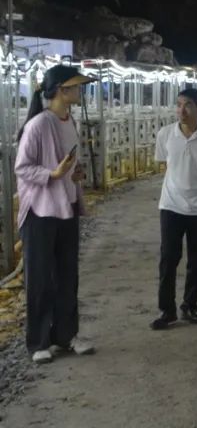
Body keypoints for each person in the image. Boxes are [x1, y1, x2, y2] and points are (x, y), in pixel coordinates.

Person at [15, 64, 96, 364]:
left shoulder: (70, 120)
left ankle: (66, 335)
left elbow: (66, 164)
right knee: (40, 279)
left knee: (67, 275)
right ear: (62, 90)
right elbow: (22, 168)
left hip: (67, 207)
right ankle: (38, 342)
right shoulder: (38, 125)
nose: (80, 91)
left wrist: (73, 175)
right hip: (41, 212)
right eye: (76, 86)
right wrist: (53, 174)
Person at [152, 88, 197, 330]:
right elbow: (165, 165)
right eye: (179, 104)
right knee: (168, 258)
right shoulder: (165, 134)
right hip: (171, 204)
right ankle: (167, 310)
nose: (181, 110)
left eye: (188, 105)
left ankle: (190, 305)